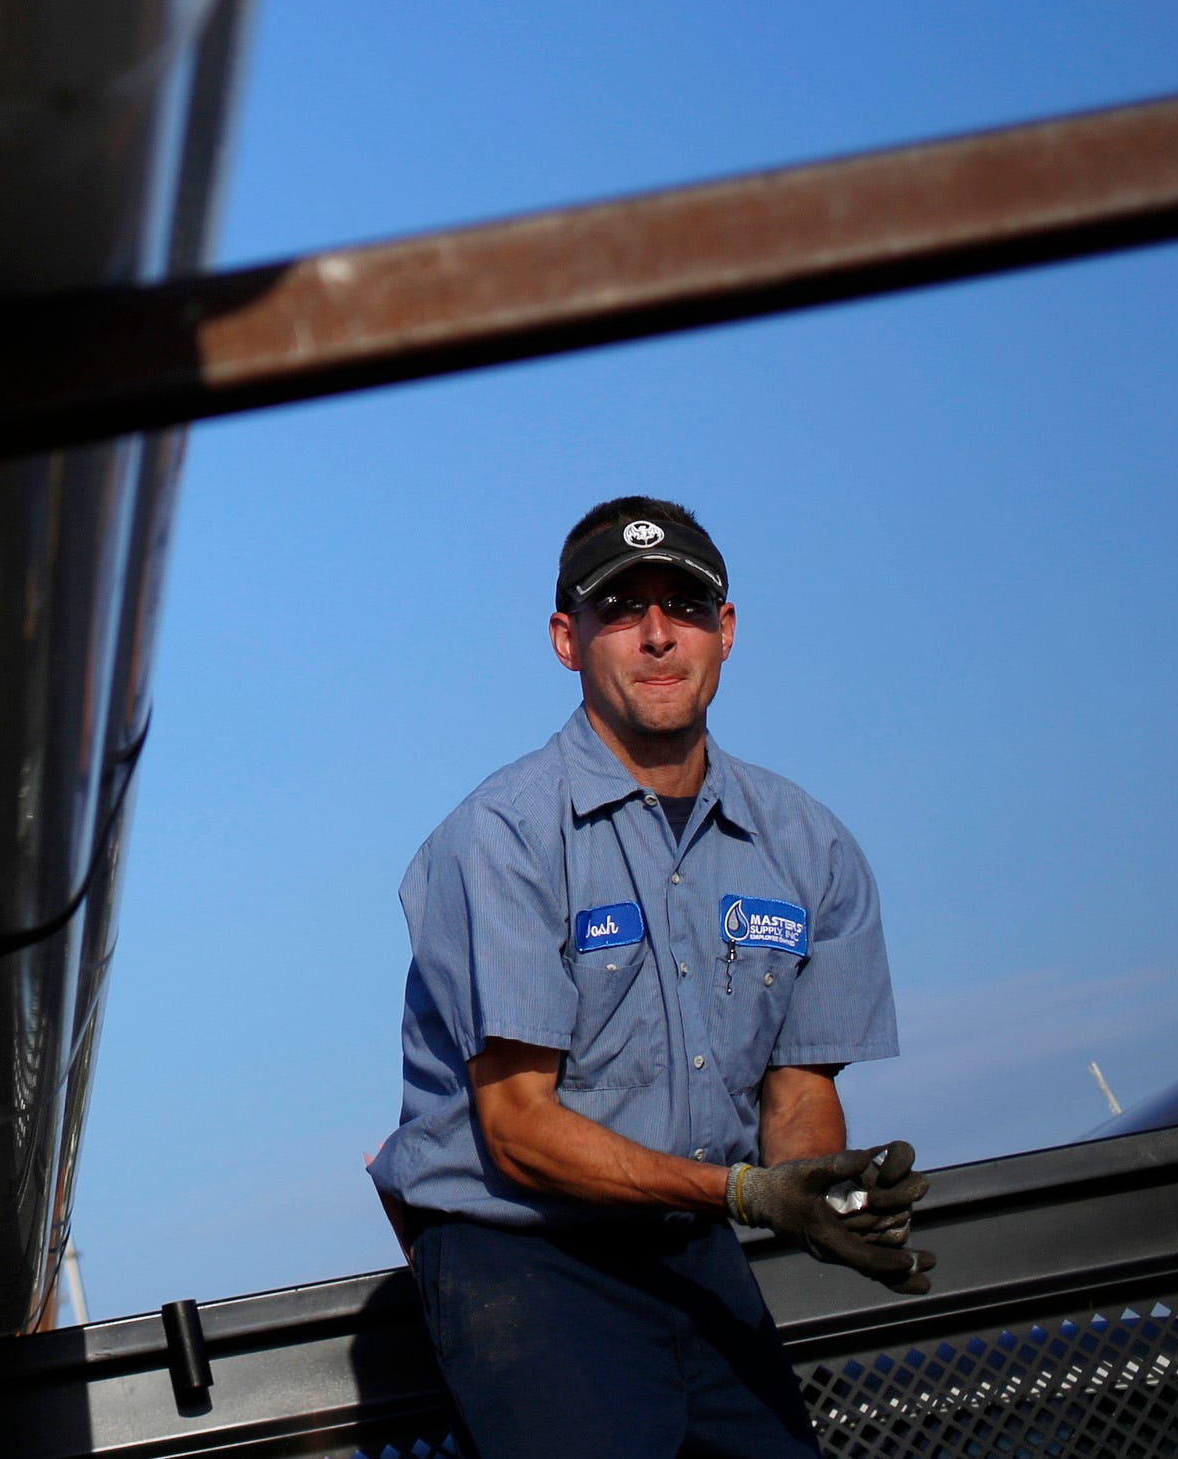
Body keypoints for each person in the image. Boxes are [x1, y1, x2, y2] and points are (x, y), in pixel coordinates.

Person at [371, 497, 931, 1459]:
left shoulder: (811, 846)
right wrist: (750, 1195)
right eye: (621, 608)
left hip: (693, 1242)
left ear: (727, 630)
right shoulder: (502, 836)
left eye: (684, 602)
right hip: (523, 1258)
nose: (658, 633)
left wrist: (819, 1190)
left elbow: (798, 1092)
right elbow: (518, 1130)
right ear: (567, 639)